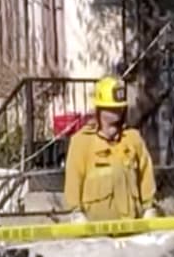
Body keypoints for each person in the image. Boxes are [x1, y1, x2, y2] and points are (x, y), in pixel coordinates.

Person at [63, 76, 157, 223]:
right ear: (99, 111)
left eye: (119, 109)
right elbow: (73, 183)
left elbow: (146, 178)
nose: (117, 115)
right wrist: (77, 214)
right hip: (97, 238)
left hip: (132, 233)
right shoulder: (82, 143)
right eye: (111, 110)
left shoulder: (133, 140)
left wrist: (149, 209)